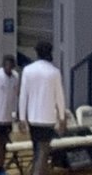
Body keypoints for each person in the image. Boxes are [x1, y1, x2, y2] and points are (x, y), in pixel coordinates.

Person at [18, 42, 66, 175]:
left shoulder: (28, 70)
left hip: (33, 118)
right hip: (47, 118)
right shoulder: (54, 72)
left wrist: (22, 118)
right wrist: (62, 117)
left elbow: (23, 95)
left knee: (37, 151)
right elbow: (59, 97)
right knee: (43, 152)